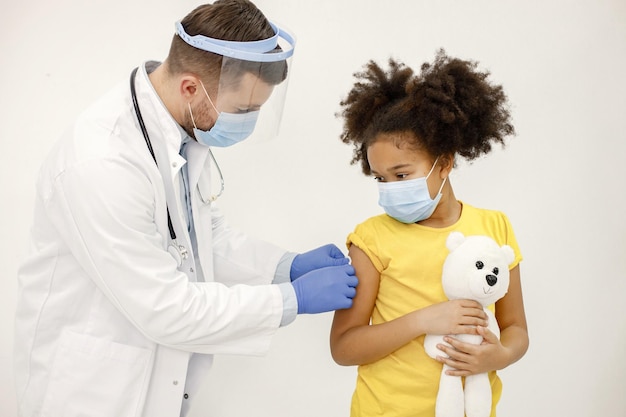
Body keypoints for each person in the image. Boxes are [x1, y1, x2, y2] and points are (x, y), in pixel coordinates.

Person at [14, 1, 358, 416]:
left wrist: (285, 265)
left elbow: (199, 237)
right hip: (92, 394)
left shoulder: (183, 130)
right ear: (192, 87)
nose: (248, 124)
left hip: (155, 385)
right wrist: (289, 299)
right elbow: (167, 309)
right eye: (244, 110)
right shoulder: (101, 164)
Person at [330, 50, 529, 417]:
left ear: (445, 163)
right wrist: (423, 321)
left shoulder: (494, 226)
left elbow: (515, 326)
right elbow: (343, 346)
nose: (390, 187)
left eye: (402, 174)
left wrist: (499, 355)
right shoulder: (371, 239)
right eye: (380, 178)